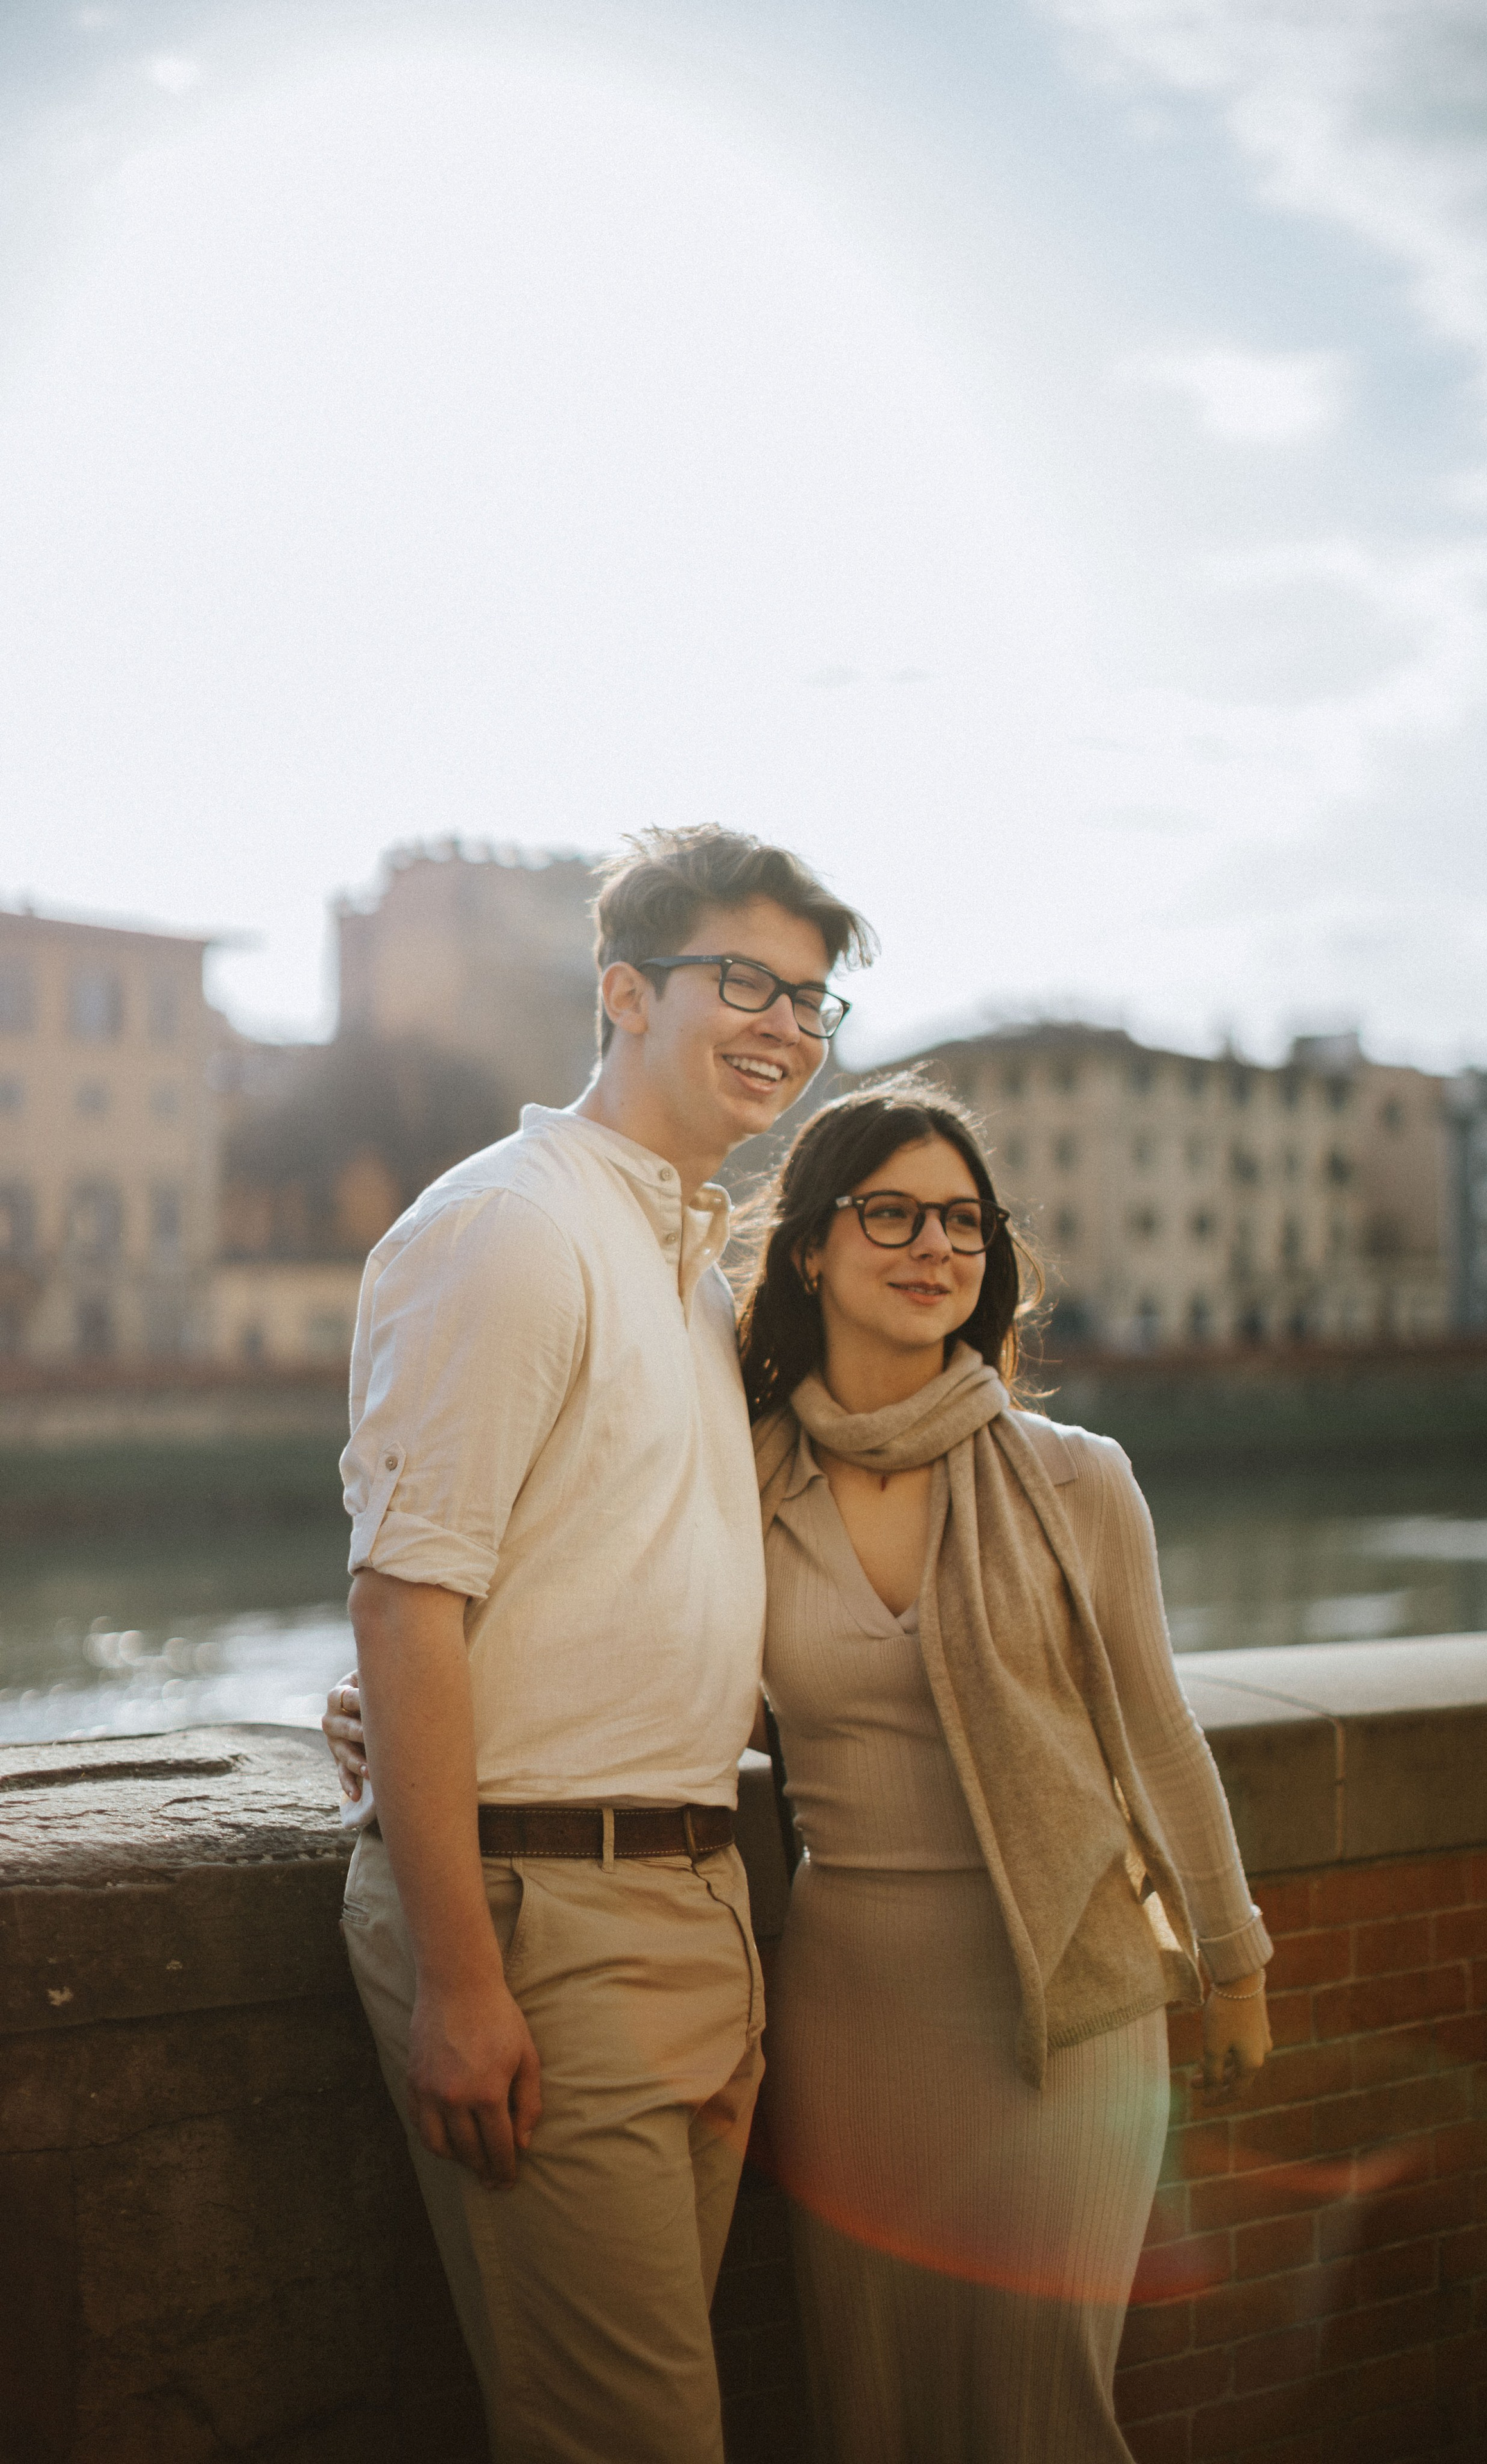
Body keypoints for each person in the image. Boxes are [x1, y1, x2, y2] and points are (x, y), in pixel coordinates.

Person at [331, 1066, 1273, 2463]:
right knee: (871, 2400)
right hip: (851, 2009)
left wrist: (1233, 1965)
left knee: (1044, 2406)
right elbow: (619, 1623)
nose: (932, 1248)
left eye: (962, 1221)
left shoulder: (1076, 1479)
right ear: (815, 1244)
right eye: (889, 1215)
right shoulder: (750, 1474)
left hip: (1068, 2008)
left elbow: (1157, 1734)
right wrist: (394, 1703)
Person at [329, 823, 875, 2464]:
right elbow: (408, 1595)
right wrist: (461, 1980)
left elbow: (568, 1576)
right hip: (541, 1917)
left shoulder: (686, 1260)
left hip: (693, 1901)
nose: (785, 1022)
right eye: (746, 980)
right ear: (623, 992)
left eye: (812, 996)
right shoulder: (510, 1226)